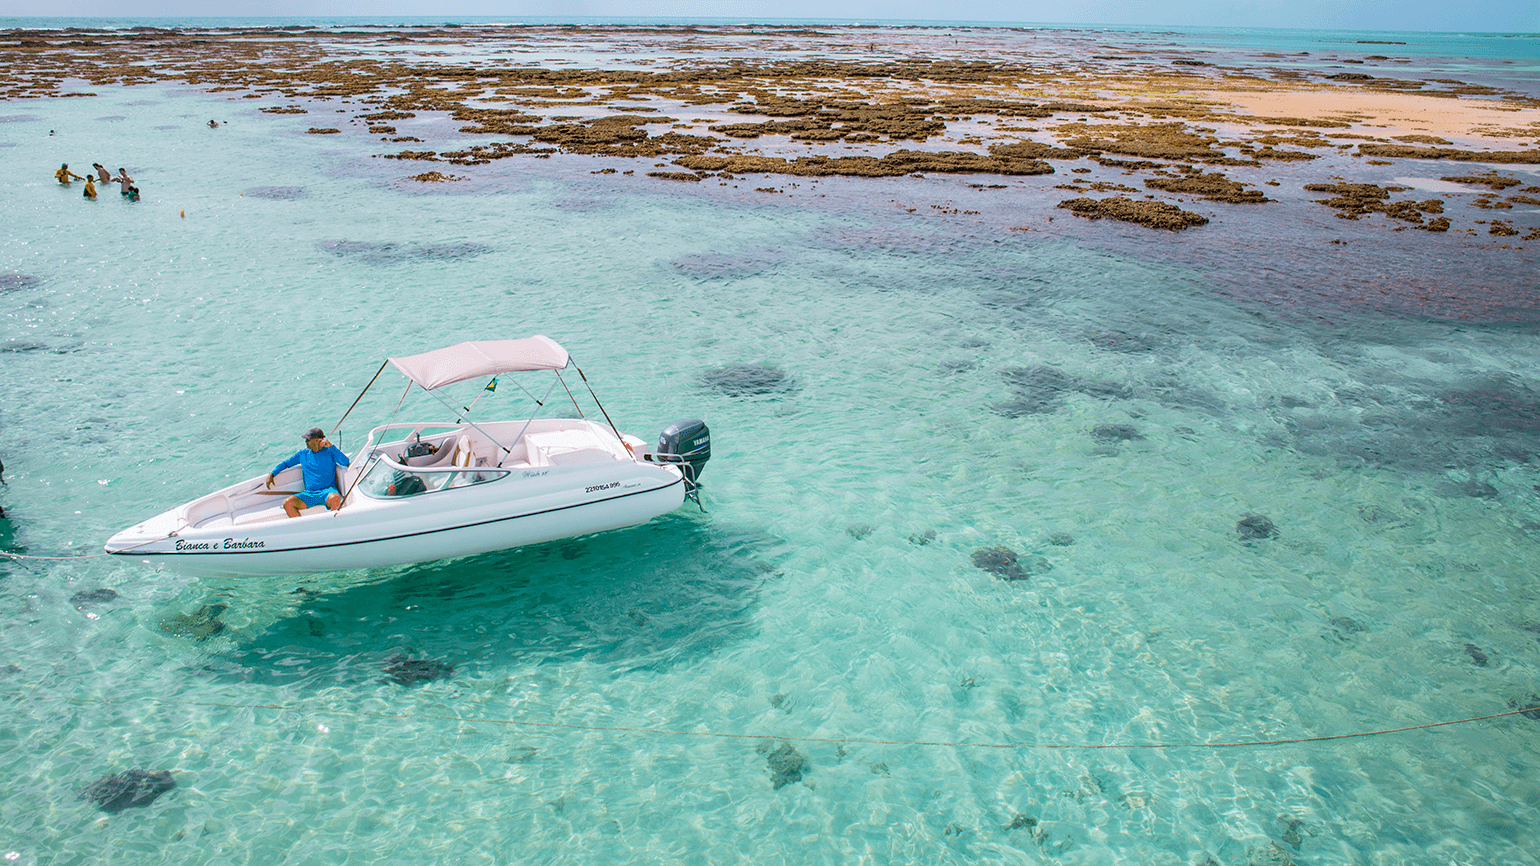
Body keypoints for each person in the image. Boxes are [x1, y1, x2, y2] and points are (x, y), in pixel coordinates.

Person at [267, 427, 350, 517]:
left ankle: (333, 526)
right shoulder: (303, 454)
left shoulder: (330, 451)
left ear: (318, 440)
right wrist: (272, 474)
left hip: (327, 492)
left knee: (335, 498)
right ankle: (302, 528)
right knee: (288, 503)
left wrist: (331, 446)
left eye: (308, 439)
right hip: (309, 494)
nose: (306, 442)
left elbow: (345, 462)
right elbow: (286, 463)